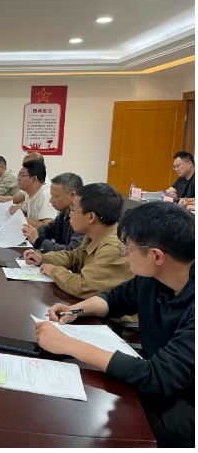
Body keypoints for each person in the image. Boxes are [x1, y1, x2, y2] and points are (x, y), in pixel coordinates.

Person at [35, 202, 194, 447]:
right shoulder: (154, 277)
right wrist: (76, 310)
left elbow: (158, 377)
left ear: (156, 256)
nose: (123, 253)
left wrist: (69, 344)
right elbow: (114, 299)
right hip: (158, 383)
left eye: (128, 248)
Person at [24, 183, 133, 298]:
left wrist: (54, 271)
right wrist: (42, 258)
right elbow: (74, 257)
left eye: (73, 209)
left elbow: (84, 286)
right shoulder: (95, 234)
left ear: (91, 217)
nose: (70, 215)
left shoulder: (114, 247)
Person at [22, 173, 85, 251]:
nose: (51, 200)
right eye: (51, 195)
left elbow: (71, 252)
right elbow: (48, 229)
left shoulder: (84, 218)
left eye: (56, 196)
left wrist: (39, 242)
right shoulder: (64, 213)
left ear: (72, 195)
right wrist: (30, 232)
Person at [9, 160, 56, 227]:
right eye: (19, 175)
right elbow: (25, 210)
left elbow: (47, 226)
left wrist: (21, 217)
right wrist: (17, 210)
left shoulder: (45, 195)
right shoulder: (28, 192)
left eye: (21, 175)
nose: (18, 179)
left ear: (34, 179)